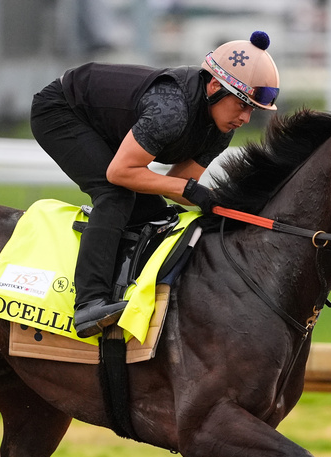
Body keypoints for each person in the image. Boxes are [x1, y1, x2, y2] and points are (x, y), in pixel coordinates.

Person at [30, 31, 281, 338]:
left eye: (253, 109)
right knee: (116, 195)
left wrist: (223, 201)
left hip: (104, 126)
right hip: (61, 110)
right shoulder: (172, 110)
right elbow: (121, 173)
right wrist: (190, 191)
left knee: (154, 211)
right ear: (215, 86)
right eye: (242, 104)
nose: (245, 117)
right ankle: (89, 302)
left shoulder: (220, 129)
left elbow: (175, 183)